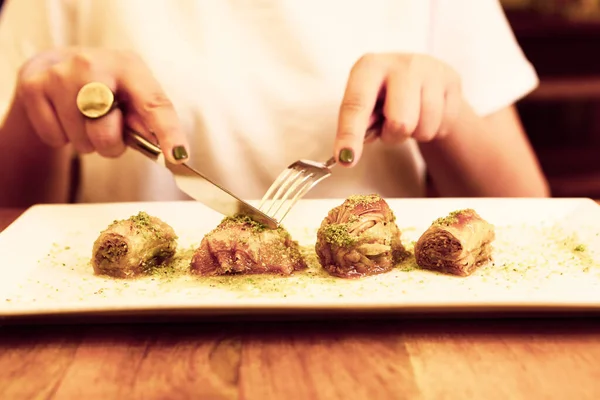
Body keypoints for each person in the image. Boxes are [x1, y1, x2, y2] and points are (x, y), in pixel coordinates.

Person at [0, 0, 550, 208]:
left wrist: (446, 118)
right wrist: (35, 117)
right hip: (120, 337)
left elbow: (531, 215)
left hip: (393, 329)